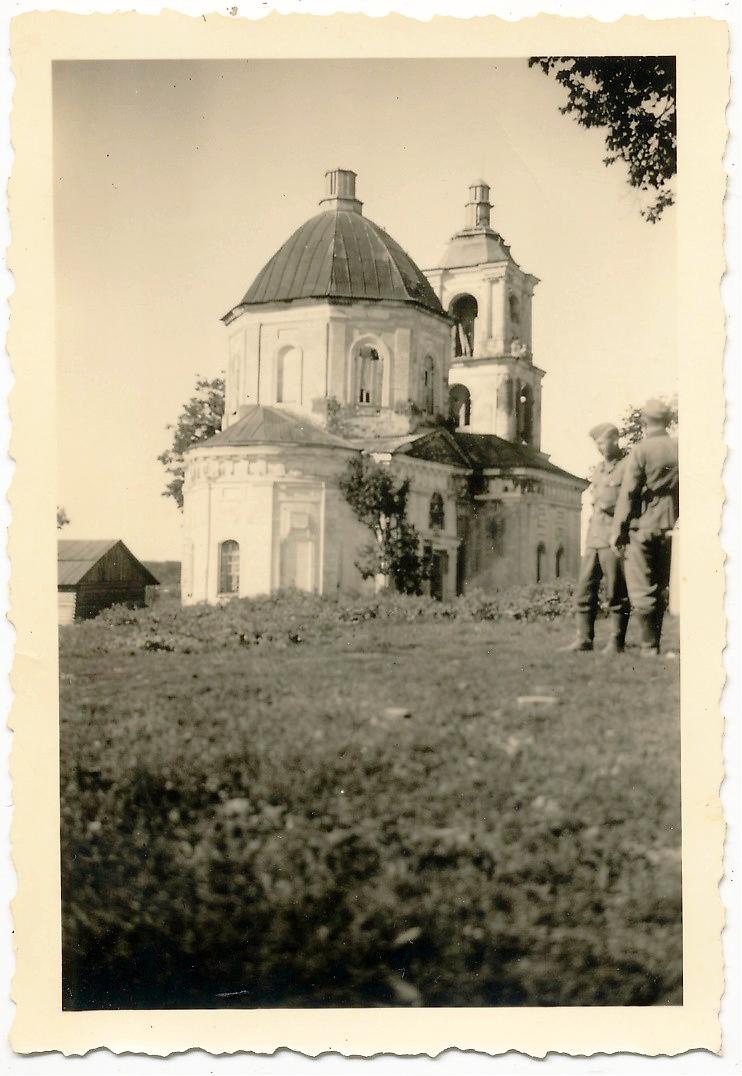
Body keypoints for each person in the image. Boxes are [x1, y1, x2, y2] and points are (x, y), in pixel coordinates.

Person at [610, 399, 679, 657]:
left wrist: (618, 529)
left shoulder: (641, 450)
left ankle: (650, 648)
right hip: (672, 523)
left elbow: (628, 493)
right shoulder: (679, 447)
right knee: (661, 584)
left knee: (641, 586)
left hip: (645, 524)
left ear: (644, 422)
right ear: (668, 420)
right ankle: (655, 644)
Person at [560, 423, 630, 653]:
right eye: (597, 444)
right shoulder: (599, 469)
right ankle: (584, 639)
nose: (600, 448)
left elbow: (627, 501)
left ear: (615, 439)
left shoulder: (627, 466)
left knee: (616, 591)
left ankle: (616, 642)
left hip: (614, 537)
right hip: (594, 537)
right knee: (585, 589)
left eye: (603, 442)